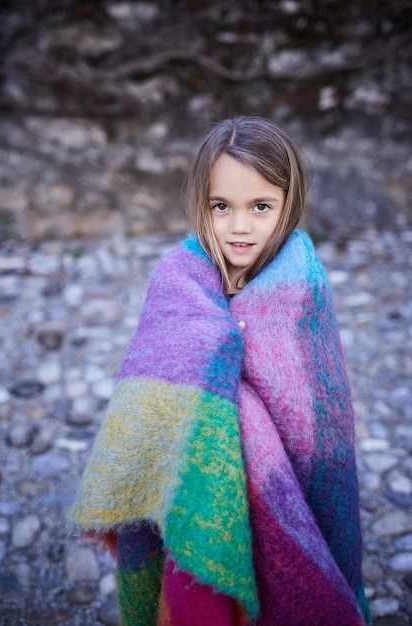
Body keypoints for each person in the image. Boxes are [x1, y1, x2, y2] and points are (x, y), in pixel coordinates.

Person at [69, 115, 370, 625]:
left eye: (260, 207)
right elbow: (151, 387)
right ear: (200, 204)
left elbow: (319, 417)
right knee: (200, 572)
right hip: (199, 475)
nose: (239, 226)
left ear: (288, 204)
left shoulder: (302, 287)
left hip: (280, 485)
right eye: (221, 206)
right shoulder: (178, 277)